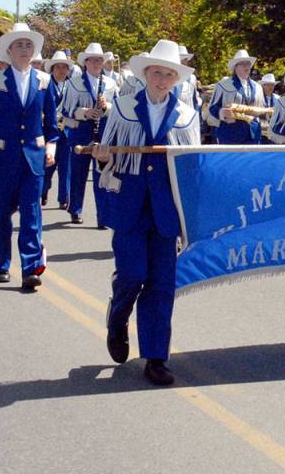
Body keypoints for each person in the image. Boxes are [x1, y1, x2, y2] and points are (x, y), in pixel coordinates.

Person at [92, 39, 200, 386]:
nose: (162, 79)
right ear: (146, 74)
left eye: (169, 74)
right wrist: (103, 155)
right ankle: (118, 316)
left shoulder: (186, 115)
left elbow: (193, 167)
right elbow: (106, 157)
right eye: (157, 73)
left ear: (176, 79)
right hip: (130, 206)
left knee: (162, 284)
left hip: (167, 209)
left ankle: (155, 357)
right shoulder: (122, 107)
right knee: (132, 275)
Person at [0, 23, 59, 290]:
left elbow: (52, 125)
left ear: (34, 51)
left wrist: (50, 148)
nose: (24, 50)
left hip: (33, 158)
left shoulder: (43, 82)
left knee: (32, 215)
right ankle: (0, 264)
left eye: (28, 45)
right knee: (0, 214)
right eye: (19, 45)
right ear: (8, 51)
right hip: (3, 157)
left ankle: (31, 267)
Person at [58, 42, 118, 226]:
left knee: (102, 174)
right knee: (78, 174)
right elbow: (66, 110)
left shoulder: (110, 83)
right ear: (86, 62)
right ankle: (75, 209)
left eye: (99, 60)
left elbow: (118, 109)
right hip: (81, 134)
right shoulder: (74, 83)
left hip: (103, 133)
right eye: (93, 60)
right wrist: (84, 112)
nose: (96, 63)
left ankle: (103, 216)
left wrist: (106, 107)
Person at [205, 49, 266, 144]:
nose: (247, 67)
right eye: (243, 64)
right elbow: (213, 107)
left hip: (253, 134)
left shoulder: (258, 87)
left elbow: (261, 109)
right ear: (235, 67)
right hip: (230, 134)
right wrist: (223, 112)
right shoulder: (223, 85)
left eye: (248, 64)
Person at [42, 50, 74, 209]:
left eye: (64, 67)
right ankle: (43, 190)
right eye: (58, 67)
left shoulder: (73, 85)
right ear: (52, 69)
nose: (61, 70)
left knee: (66, 167)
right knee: (47, 164)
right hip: (48, 130)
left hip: (67, 130)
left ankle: (64, 197)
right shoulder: (46, 84)